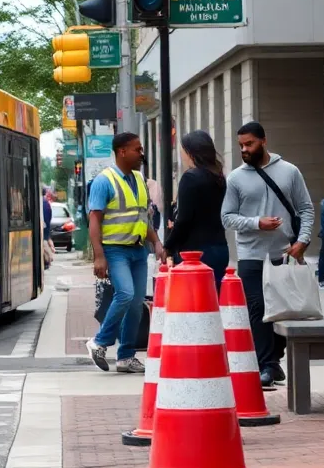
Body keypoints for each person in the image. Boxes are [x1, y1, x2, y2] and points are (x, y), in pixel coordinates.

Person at [221, 121, 314, 388]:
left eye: (249, 143)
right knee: (258, 308)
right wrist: (255, 223)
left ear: (263, 140)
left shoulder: (289, 171)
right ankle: (267, 365)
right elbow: (226, 217)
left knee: (285, 309)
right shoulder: (236, 177)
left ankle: (274, 357)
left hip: (284, 252)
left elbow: (306, 208)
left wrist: (303, 240)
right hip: (250, 253)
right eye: (240, 145)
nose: (244, 149)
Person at [83, 133, 165, 374]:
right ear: (122, 152)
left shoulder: (139, 179)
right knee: (126, 294)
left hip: (138, 250)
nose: (142, 153)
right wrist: (99, 255)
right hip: (115, 249)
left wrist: (157, 243)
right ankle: (98, 342)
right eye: (137, 149)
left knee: (137, 303)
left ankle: (126, 357)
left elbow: (143, 217)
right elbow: (94, 220)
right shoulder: (104, 181)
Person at [163, 130, 229, 289]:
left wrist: (169, 246)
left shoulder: (190, 177)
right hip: (219, 248)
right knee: (214, 300)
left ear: (190, 152)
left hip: (194, 253)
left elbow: (184, 219)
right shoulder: (219, 177)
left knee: (195, 304)